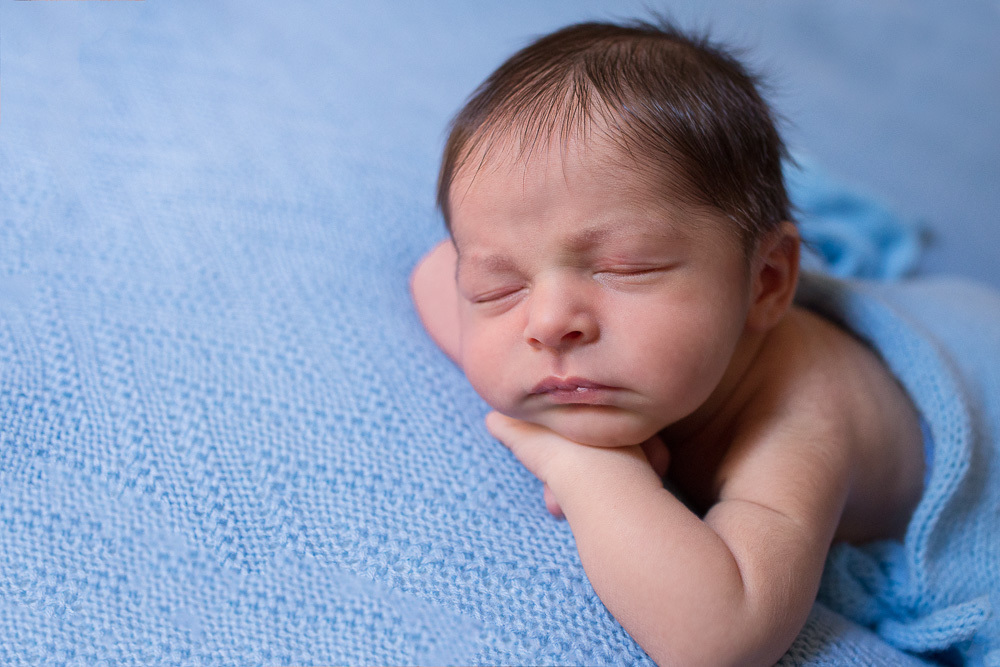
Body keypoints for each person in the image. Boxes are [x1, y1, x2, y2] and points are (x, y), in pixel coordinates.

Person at [410, 20, 927, 666]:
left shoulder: (800, 420)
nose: (547, 322)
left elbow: (724, 634)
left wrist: (590, 467)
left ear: (766, 281)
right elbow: (435, 273)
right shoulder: (622, 348)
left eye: (626, 267)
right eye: (499, 287)